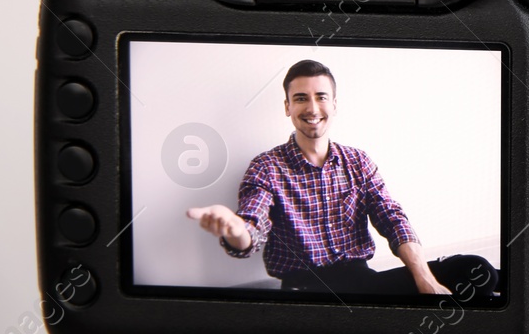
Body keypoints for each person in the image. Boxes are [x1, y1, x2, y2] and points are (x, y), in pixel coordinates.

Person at [186, 59, 496, 298]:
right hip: (306, 294)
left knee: (477, 271)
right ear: (288, 107)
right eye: (300, 98)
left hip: (362, 283)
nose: (312, 108)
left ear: (334, 104)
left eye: (321, 96)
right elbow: (251, 229)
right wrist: (234, 229)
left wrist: (423, 277)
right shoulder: (267, 167)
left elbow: (391, 217)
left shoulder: (357, 161)